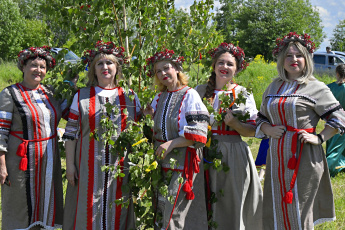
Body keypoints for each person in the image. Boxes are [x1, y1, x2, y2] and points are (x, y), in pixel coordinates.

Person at [256, 32, 345, 229]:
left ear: (306, 58)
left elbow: (339, 117)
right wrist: (267, 129)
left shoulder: (316, 87)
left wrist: (320, 137)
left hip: (303, 157)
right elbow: (260, 117)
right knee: (276, 204)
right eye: (289, 55)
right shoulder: (273, 86)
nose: (293, 59)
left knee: (299, 208)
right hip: (277, 157)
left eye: (299, 55)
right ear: (282, 59)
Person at [62, 41, 139, 230]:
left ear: (117, 67)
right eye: (100, 63)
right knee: (88, 207)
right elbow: (71, 133)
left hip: (119, 165)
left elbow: (137, 133)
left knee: (117, 208)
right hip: (87, 166)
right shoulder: (81, 96)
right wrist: (70, 165)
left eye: (109, 63)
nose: (105, 67)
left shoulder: (129, 96)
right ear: (93, 70)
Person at [195, 42, 263, 230]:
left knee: (230, 200)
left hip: (232, 152)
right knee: (205, 197)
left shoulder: (242, 93)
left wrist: (234, 124)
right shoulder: (199, 91)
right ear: (214, 65)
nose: (224, 67)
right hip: (202, 152)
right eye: (221, 63)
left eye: (230, 64)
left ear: (237, 68)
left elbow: (253, 131)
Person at [0, 46, 68, 229]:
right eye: (33, 65)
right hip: (19, 161)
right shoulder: (9, 94)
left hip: (48, 160)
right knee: (20, 204)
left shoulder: (51, 93)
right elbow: (1, 132)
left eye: (42, 66)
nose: (38, 70)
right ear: (23, 67)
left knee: (46, 204)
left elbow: (72, 113)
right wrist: (1, 164)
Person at [143, 49, 209, 230]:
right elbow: (153, 133)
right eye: (158, 71)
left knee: (173, 213)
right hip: (160, 162)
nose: (163, 73)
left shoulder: (190, 95)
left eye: (167, 68)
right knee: (160, 209)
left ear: (177, 68)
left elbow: (199, 133)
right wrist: (148, 118)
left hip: (183, 162)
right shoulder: (158, 98)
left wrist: (171, 144)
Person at [326, 64, 345, 176]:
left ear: (337, 73)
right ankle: (327, 170)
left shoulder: (329, 88)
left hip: (331, 120)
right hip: (343, 122)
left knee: (333, 145)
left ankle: (340, 167)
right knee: (336, 149)